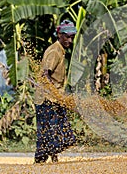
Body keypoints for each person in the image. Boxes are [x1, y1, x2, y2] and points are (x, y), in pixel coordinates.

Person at [34, 20, 77, 163]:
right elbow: (45, 75)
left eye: (72, 37)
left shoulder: (61, 51)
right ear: (59, 35)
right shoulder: (54, 51)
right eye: (67, 37)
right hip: (47, 98)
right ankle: (40, 160)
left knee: (60, 131)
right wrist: (55, 93)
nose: (69, 40)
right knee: (47, 130)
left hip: (56, 98)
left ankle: (53, 157)